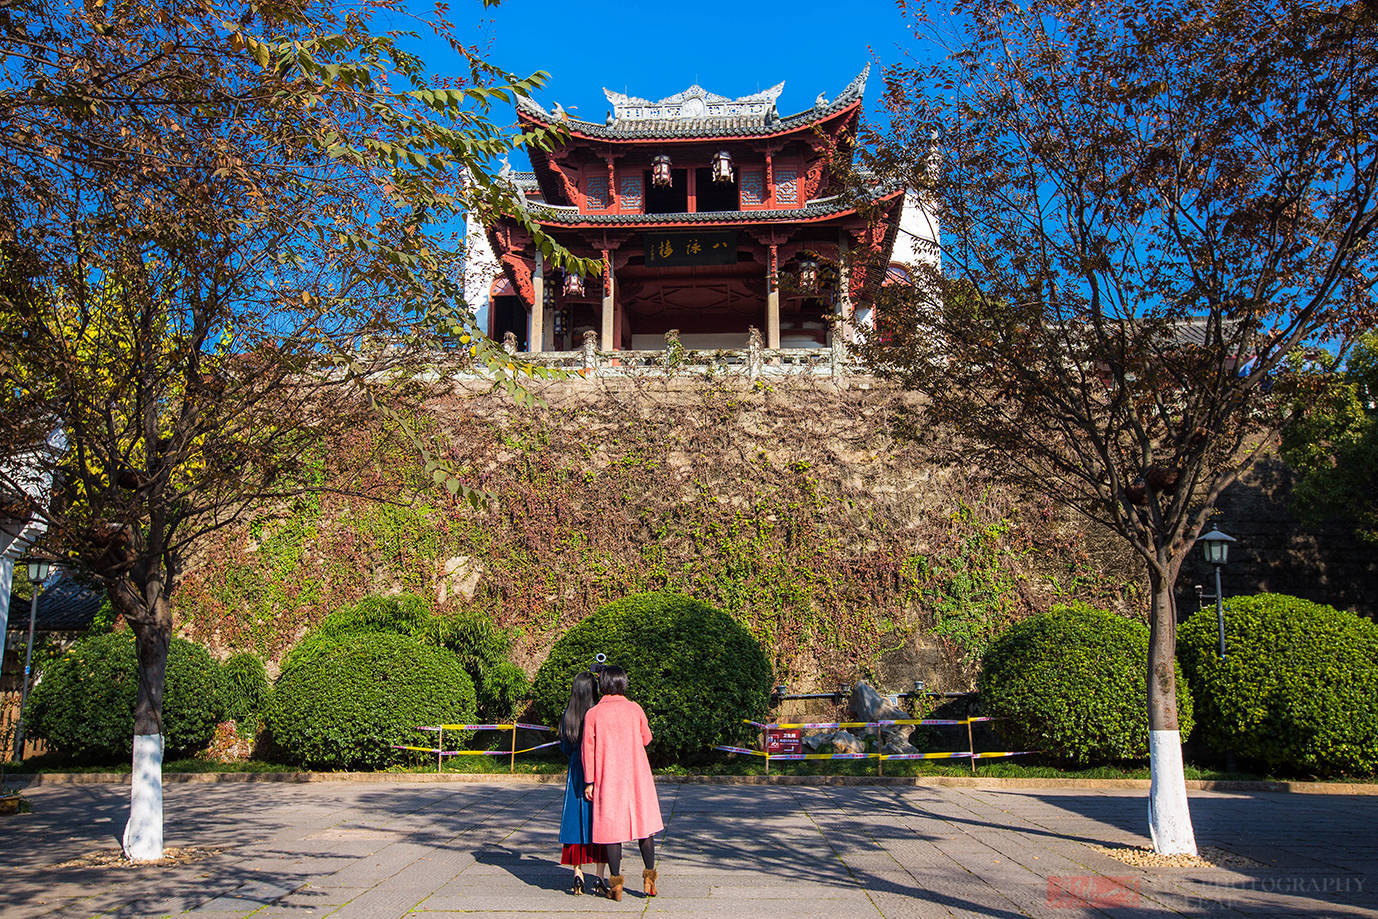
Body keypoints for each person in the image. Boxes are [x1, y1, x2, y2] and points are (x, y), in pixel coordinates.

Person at [581, 665, 663, 901]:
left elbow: (588, 750)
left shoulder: (594, 714)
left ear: (603, 684)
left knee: (611, 829)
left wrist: (590, 781)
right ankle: (649, 879)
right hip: (637, 775)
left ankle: (615, 884)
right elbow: (647, 738)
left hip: (608, 776)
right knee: (644, 827)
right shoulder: (635, 709)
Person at [557, 672, 607, 895]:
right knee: (600, 822)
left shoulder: (568, 714)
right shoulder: (597, 713)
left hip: (576, 771)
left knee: (576, 822)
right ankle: (600, 875)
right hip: (596, 768)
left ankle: (577, 873)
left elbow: (565, 748)